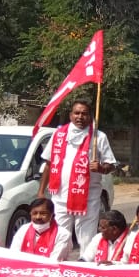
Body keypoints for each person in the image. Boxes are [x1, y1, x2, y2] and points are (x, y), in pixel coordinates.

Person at [38, 99, 117, 259]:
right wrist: (41, 192)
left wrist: (101, 168)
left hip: (88, 198)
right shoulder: (58, 134)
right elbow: (48, 163)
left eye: (84, 113)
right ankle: (58, 269)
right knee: (60, 237)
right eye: (77, 113)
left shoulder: (98, 137)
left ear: (90, 117)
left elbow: (112, 164)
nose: (80, 117)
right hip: (60, 197)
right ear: (70, 115)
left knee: (86, 238)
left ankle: (84, 269)